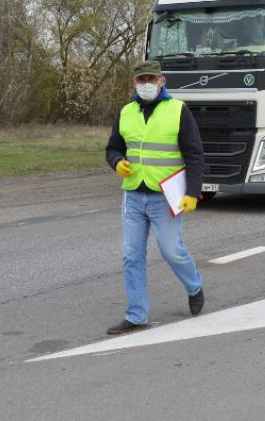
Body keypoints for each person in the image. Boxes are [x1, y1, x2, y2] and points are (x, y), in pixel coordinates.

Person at [104, 60, 205, 334]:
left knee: (172, 251)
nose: (146, 84)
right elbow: (113, 147)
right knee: (131, 255)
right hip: (134, 194)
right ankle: (137, 315)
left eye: (151, 79)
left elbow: (194, 154)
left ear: (161, 81)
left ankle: (194, 285)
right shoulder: (125, 112)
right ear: (134, 83)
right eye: (141, 80)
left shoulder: (178, 110)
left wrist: (193, 193)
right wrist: (116, 162)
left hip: (165, 197)